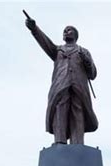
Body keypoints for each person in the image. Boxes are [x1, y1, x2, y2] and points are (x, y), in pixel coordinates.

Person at [25, 17, 98, 145]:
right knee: (60, 108)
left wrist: (87, 60)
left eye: (69, 30)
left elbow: (92, 74)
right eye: (64, 30)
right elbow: (45, 42)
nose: (65, 31)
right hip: (61, 85)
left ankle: (77, 142)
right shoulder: (57, 50)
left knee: (78, 110)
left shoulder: (83, 51)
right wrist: (34, 29)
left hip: (79, 87)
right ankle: (60, 141)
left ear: (75, 35)